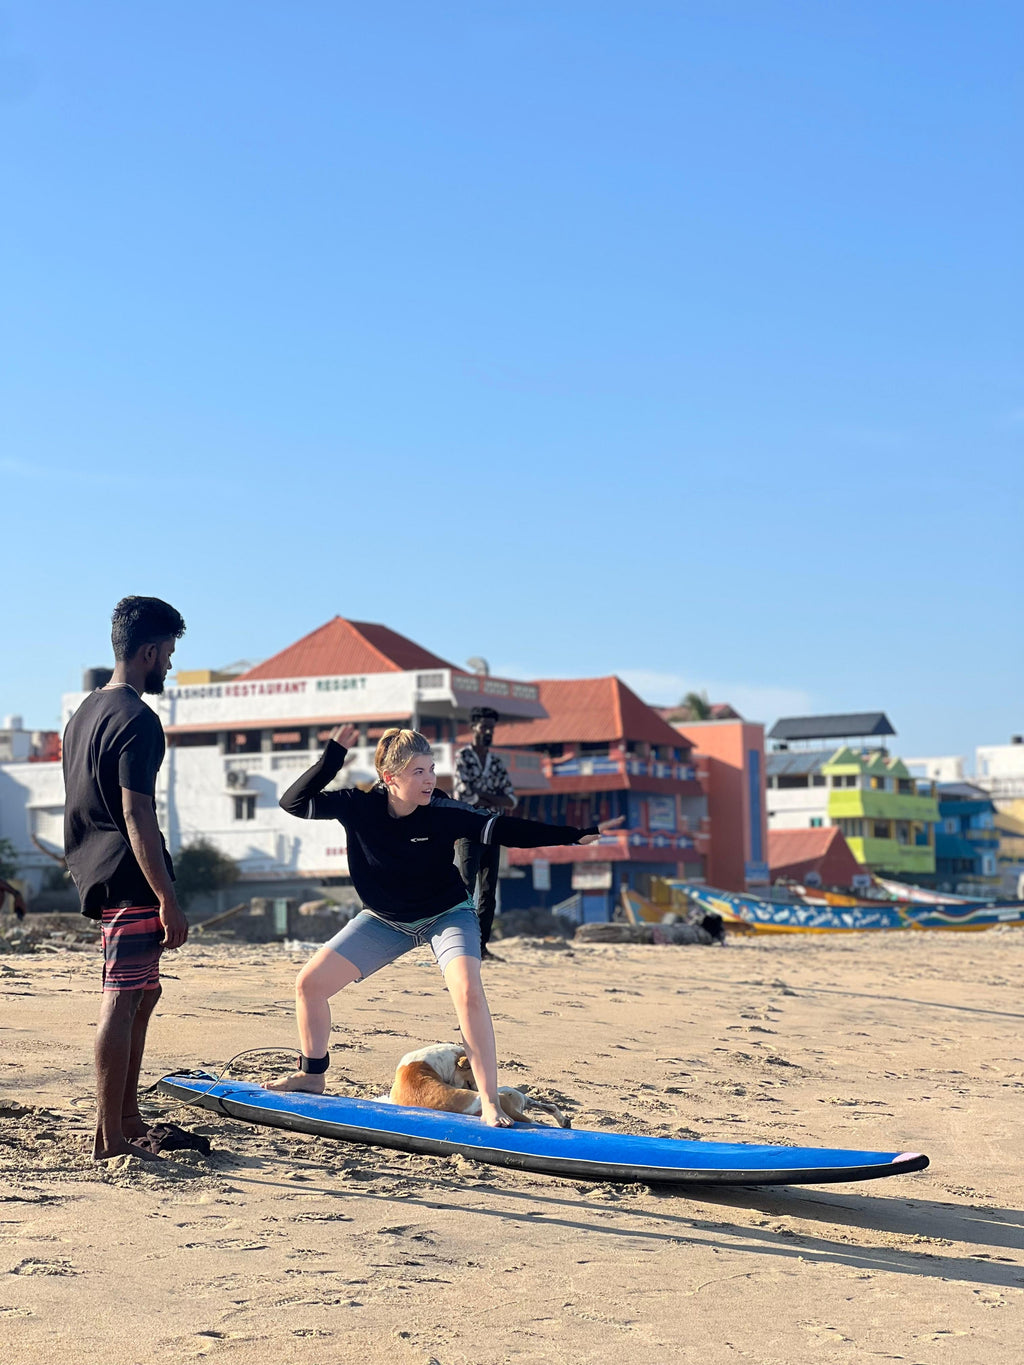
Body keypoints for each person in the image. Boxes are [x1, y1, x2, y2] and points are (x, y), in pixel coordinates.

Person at [270, 725, 622, 1125]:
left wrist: (572, 837)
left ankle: (489, 1100)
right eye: (418, 771)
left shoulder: (441, 811)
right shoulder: (358, 806)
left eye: (432, 769)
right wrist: (334, 757)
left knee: (469, 990)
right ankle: (312, 1075)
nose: (430, 779)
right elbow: (293, 802)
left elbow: (503, 828)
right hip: (385, 920)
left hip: (446, 914)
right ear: (390, 778)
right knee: (309, 984)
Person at [62, 596, 188, 1161]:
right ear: (148, 652)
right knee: (121, 996)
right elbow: (137, 814)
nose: (169, 666)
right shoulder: (139, 719)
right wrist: (167, 897)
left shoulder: (85, 712)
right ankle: (109, 1137)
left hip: (96, 868)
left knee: (144, 991)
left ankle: (128, 1119)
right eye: (168, 655)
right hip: (130, 876)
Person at [453, 706, 517, 958]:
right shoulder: (463, 757)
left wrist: (483, 798)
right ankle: (459, 943)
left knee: (489, 892)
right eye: (484, 727)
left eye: (491, 727)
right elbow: (464, 794)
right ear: (473, 728)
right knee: (466, 887)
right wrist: (493, 799)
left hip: (493, 830)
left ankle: (480, 946)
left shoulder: (497, 762)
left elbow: (511, 799)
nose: (488, 732)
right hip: (469, 829)